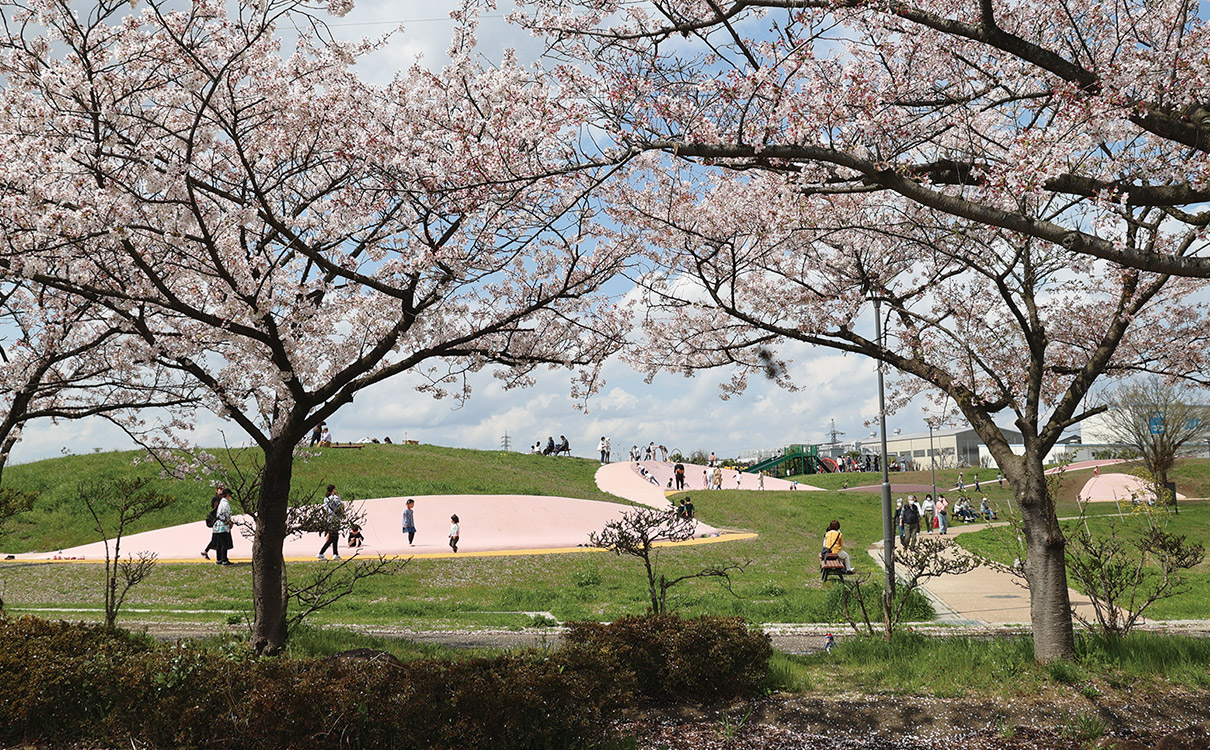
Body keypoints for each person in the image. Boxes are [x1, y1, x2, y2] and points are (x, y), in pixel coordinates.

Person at [317, 484, 343, 560]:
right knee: (332, 537)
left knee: (335, 537)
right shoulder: (335, 498)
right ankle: (321, 553)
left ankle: (336, 554)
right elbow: (338, 507)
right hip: (335, 519)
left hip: (329, 519)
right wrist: (339, 499)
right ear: (333, 490)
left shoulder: (326, 499)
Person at [212, 489, 234, 566]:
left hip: (217, 527)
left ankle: (219, 559)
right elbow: (225, 514)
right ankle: (224, 559)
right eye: (230, 495)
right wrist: (229, 522)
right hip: (222, 527)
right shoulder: (225, 504)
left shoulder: (221, 502)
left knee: (219, 544)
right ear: (227, 495)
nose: (230, 497)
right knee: (224, 543)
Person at [201, 486, 224, 559]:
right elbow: (214, 508)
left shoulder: (222, 499)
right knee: (215, 539)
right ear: (216, 490)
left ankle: (206, 552)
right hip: (216, 521)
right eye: (219, 489)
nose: (221, 491)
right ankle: (206, 552)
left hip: (218, 521)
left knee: (216, 540)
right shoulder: (216, 499)